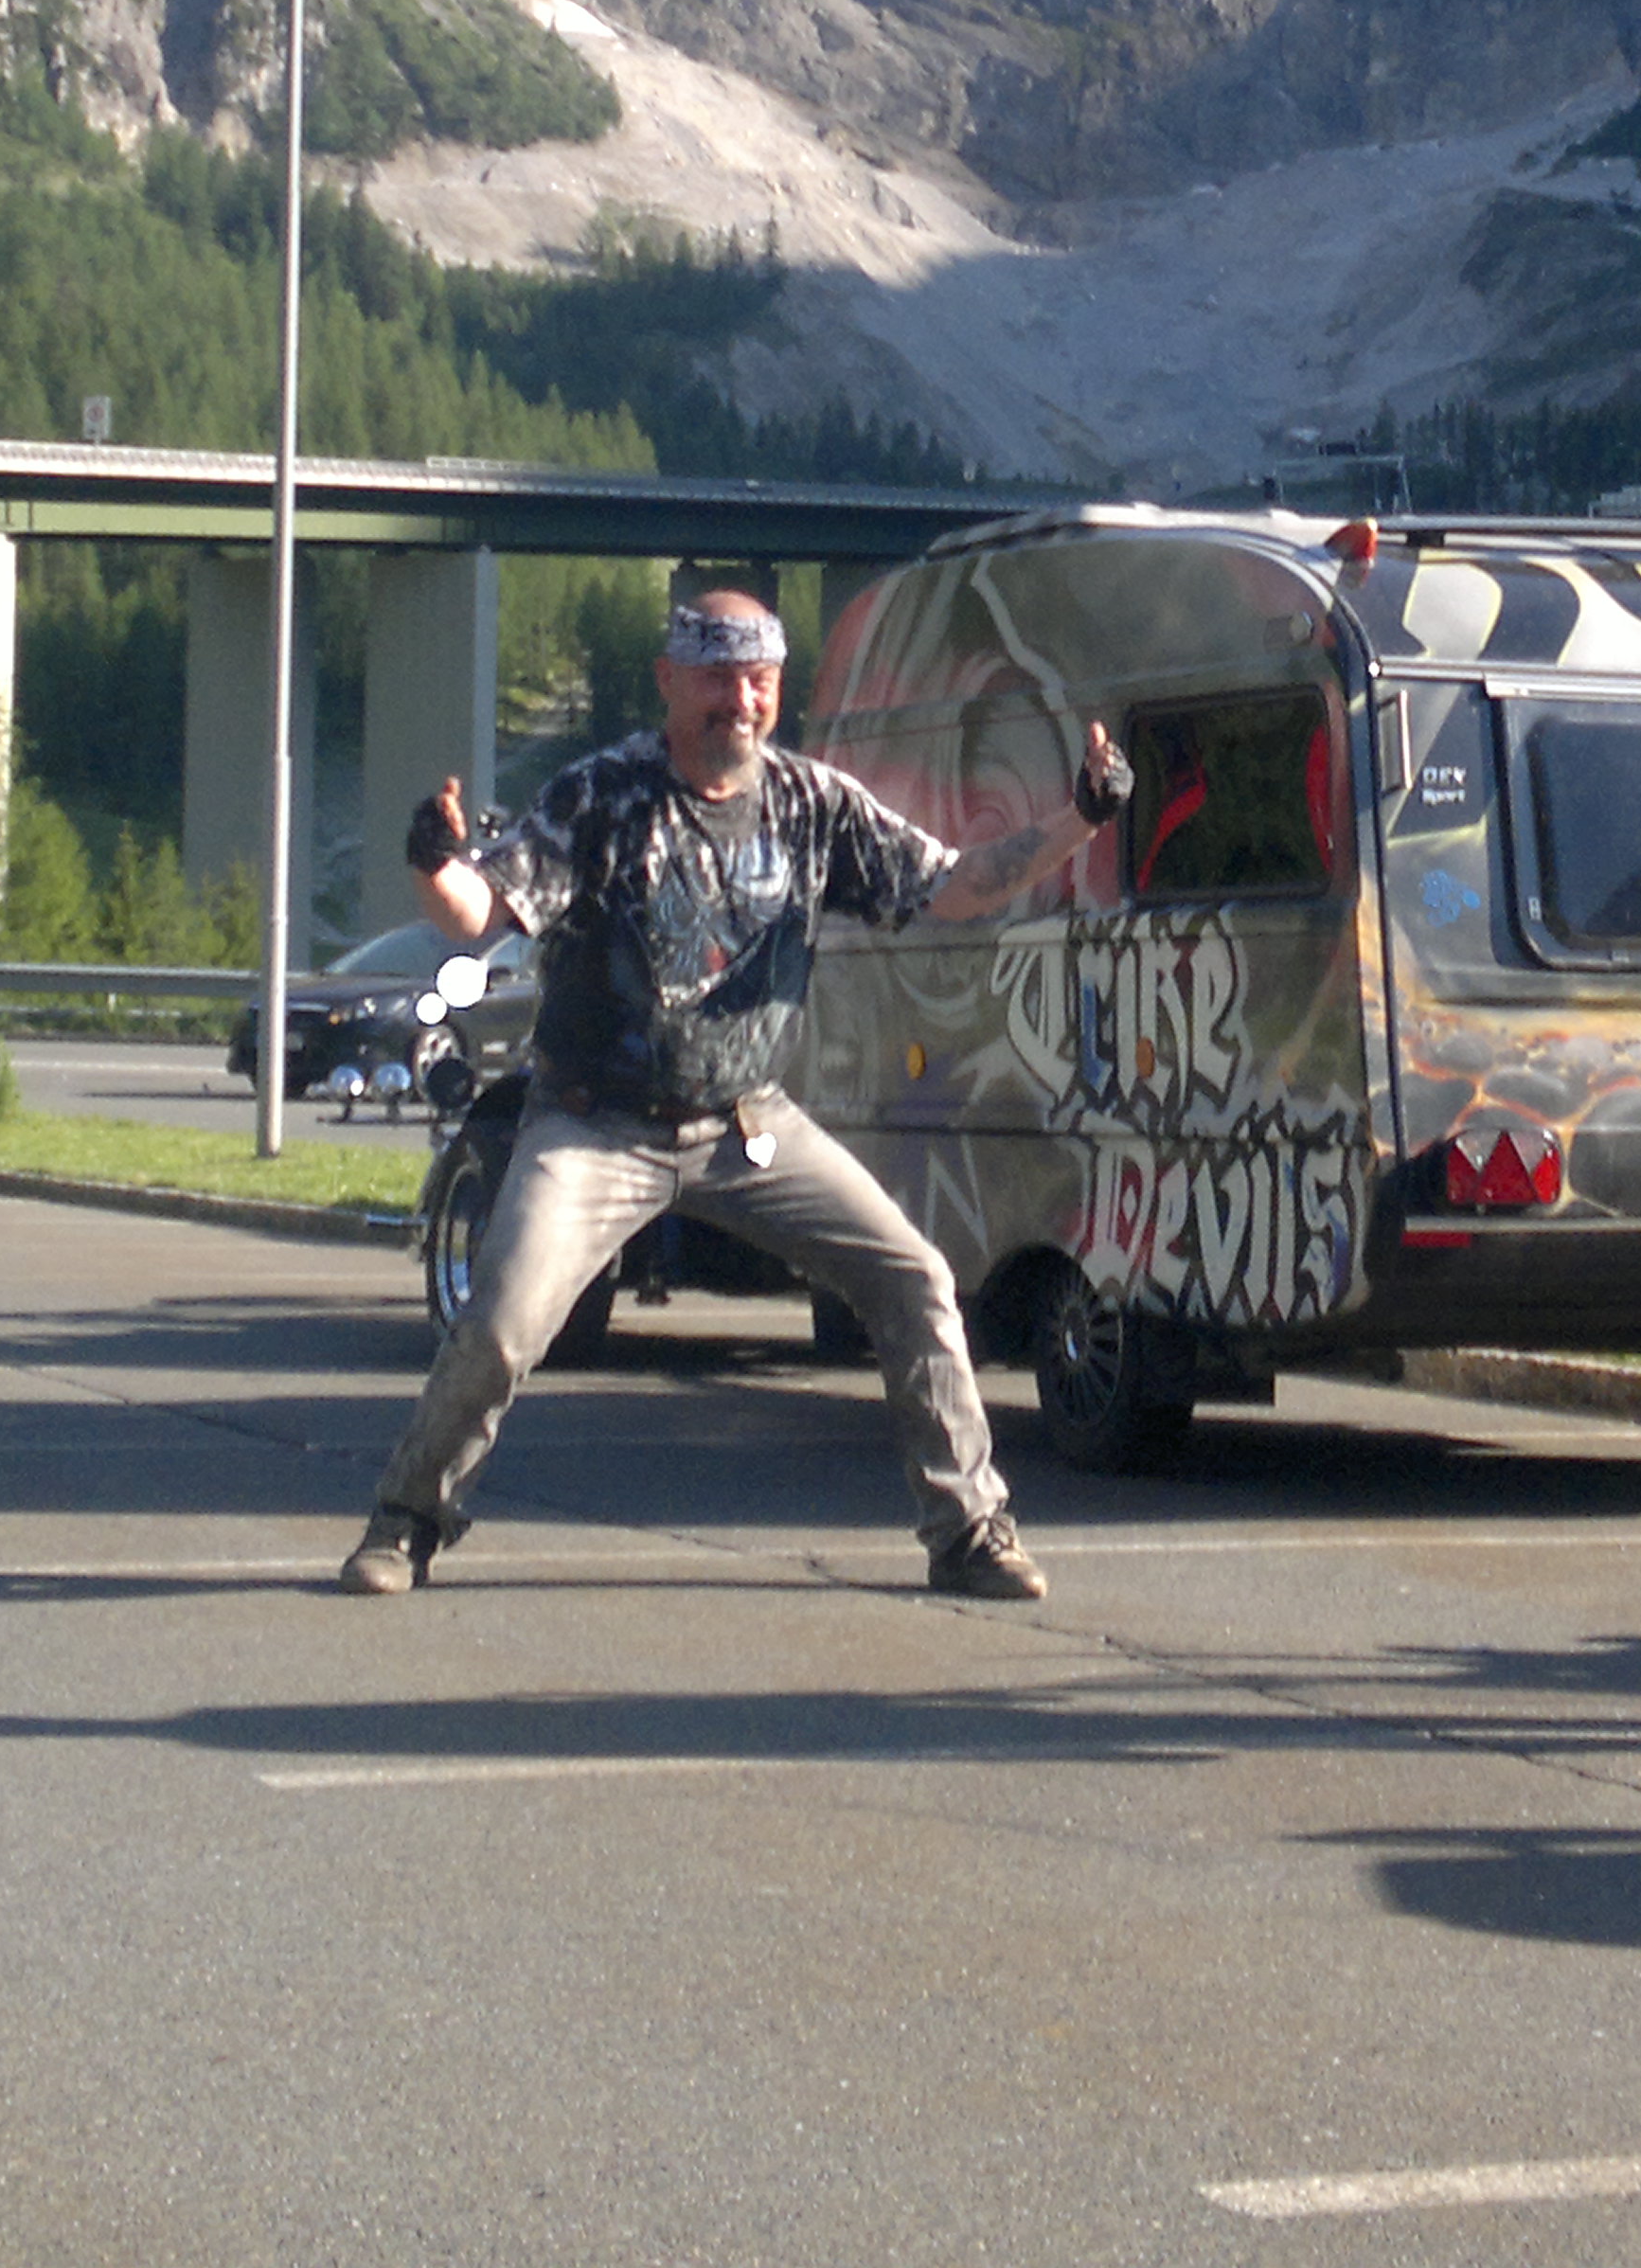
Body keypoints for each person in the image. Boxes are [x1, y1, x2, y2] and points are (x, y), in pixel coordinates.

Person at [339, 580, 1131, 1604]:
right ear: (669, 682)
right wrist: (432, 861)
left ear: (777, 689)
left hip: (746, 1122)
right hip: (594, 1125)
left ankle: (969, 1532)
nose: (738, 701)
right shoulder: (602, 796)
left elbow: (956, 886)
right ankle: (405, 1521)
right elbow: (476, 911)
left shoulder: (811, 804)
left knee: (915, 1280)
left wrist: (1080, 817)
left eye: (756, 680)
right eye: (715, 679)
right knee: (500, 1324)